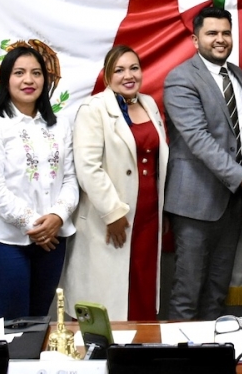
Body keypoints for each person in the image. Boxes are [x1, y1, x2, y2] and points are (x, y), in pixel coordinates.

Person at [163, 5, 242, 320]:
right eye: (211, 33)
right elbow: (198, 139)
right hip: (194, 203)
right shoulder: (180, 78)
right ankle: (179, 365)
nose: (220, 39)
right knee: (187, 292)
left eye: (226, 32)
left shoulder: (238, 76)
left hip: (232, 203)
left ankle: (213, 358)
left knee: (217, 293)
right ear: (196, 39)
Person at [0, 45, 79, 320]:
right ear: (6, 79)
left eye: (36, 73)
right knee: (15, 330)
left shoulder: (60, 125)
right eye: (19, 73)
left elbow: (70, 178)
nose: (29, 80)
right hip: (7, 243)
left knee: (41, 323)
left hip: (53, 242)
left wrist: (57, 216)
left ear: (46, 80)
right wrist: (36, 226)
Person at [61, 45, 168, 321]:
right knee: (110, 295)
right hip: (111, 217)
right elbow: (88, 168)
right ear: (108, 76)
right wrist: (113, 213)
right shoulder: (93, 109)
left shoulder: (149, 103)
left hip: (148, 217)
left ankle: (140, 358)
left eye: (134, 68)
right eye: (119, 70)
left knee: (142, 290)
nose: (128, 75)